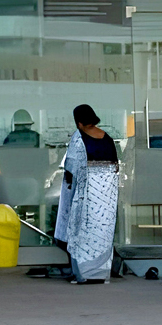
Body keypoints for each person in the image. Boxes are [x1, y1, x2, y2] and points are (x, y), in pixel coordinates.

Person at [52, 104, 120, 284]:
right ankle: (101, 273)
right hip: (106, 200)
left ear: (79, 122)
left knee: (80, 233)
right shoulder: (108, 139)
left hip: (86, 198)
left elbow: (71, 171)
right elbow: (115, 169)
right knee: (102, 234)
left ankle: (83, 274)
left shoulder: (79, 139)